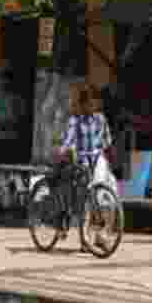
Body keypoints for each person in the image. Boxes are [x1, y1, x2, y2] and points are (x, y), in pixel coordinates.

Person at [56, 84, 114, 237]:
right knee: (84, 197)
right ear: (83, 104)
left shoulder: (101, 119)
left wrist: (103, 149)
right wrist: (64, 149)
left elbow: (107, 140)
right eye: (89, 102)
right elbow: (68, 139)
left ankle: (102, 233)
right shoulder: (76, 120)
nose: (92, 105)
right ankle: (84, 237)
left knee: (102, 192)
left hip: (97, 158)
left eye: (94, 101)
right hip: (82, 161)